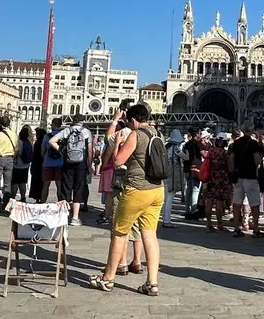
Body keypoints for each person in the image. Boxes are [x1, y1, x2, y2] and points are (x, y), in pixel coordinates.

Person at [86, 103, 164, 296]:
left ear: (134, 120)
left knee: (120, 233)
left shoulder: (135, 134)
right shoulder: (158, 134)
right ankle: (152, 283)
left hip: (137, 190)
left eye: (129, 121)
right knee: (150, 235)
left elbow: (118, 161)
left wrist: (119, 144)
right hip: (157, 190)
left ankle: (107, 279)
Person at [53, 116, 93, 226]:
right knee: (79, 188)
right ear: (82, 122)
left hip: (68, 163)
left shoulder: (66, 130)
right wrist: (89, 165)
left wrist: (62, 150)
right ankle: (75, 217)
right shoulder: (86, 132)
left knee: (66, 187)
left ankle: (64, 216)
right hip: (81, 163)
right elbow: (90, 150)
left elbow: (52, 141)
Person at [230, 127, 264, 237]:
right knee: (254, 203)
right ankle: (255, 229)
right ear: (251, 131)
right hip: (250, 176)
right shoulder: (254, 144)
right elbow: (256, 160)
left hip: (238, 176)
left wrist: (233, 171)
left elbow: (231, 158)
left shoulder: (235, 143)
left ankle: (236, 228)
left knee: (237, 202)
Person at [202, 133, 233, 232]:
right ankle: (220, 224)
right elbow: (229, 167)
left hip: (211, 178)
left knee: (209, 201)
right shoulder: (225, 153)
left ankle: (209, 224)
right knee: (219, 203)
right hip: (222, 179)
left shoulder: (211, 152)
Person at [37, 117, 64, 203]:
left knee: (46, 185)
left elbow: (42, 151)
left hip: (47, 163)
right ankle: (60, 204)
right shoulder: (63, 136)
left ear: (53, 124)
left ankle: (43, 202)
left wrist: (45, 158)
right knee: (59, 185)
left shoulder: (47, 136)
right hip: (60, 163)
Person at [182, 129, 205, 218]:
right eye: (200, 133)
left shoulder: (187, 144)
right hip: (196, 169)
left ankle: (187, 210)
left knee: (189, 191)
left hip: (188, 168)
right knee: (195, 191)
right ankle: (194, 211)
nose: (201, 134)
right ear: (196, 134)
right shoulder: (198, 144)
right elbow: (204, 155)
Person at [12, 124, 35, 203]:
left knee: (15, 182)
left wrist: (13, 157)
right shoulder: (29, 142)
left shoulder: (19, 142)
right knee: (23, 182)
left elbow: (17, 152)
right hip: (26, 165)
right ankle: (23, 197)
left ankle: (13, 197)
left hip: (17, 165)